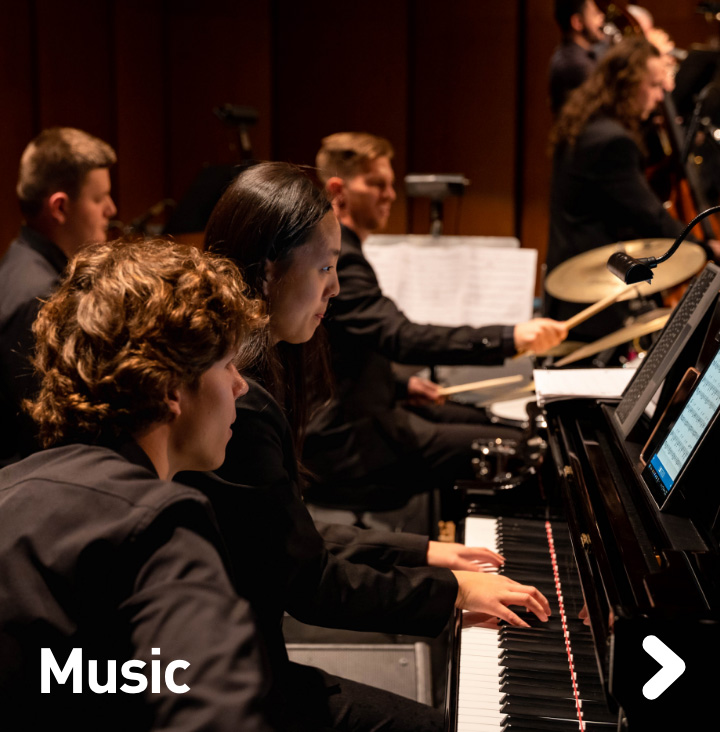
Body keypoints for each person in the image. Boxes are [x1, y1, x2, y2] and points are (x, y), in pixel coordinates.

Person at [179, 161, 552, 732]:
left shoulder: (257, 372)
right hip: (232, 683)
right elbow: (308, 584)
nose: (334, 286)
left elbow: (286, 535)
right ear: (270, 269)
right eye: (326, 266)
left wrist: (423, 552)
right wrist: (451, 592)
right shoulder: (239, 402)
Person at [0, 238, 275, 731]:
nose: (241, 385)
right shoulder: (160, 524)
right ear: (171, 388)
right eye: (228, 364)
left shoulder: (9, 488)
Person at [303, 132, 567, 509]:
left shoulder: (345, 251)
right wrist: (511, 337)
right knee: (517, 448)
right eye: (377, 184)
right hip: (346, 442)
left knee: (485, 418)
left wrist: (400, 383)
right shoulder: (340, 256)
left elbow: (341, 352)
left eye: (391, 184)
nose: (391, 195)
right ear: (337, 190)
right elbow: (400, 336)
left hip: (368, 409)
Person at [545, 37, 696, 341]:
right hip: (595, 300)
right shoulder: (613, 142)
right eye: (654, 85)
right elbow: (651, 217)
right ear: (628, 85)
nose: (660, 95)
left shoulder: (586, 125)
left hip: (567, 284)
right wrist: (702, 248)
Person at [0, 127, 117, 464]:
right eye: (99, 198)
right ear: (60, 207)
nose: (111, 209)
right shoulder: (38, 298)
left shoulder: (21, 261)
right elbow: (47, 432)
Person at [549, 0, 607, 116]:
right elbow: (606, 105)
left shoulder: (578, 55)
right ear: (578, 22)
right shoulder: (574, 64)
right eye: (595, 14)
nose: (602, 16)